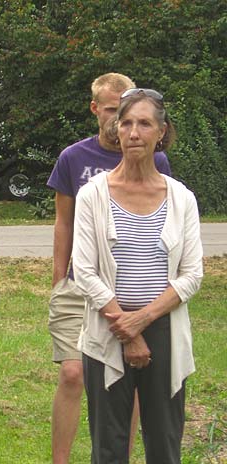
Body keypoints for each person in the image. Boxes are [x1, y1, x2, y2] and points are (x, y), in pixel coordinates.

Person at [46, 73, 171, 463]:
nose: (125, 123)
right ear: (96, 108)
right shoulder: (74, 158)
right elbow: (63, 222)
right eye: (116, 111)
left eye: (135, 115)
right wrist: (59, 280)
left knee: (130, 383)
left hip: (138, 294)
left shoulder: (158, 162)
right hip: (81, 285)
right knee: (73, 373)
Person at [73, 88, 202, 463]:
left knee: (164, 444)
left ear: (161, 131)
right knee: (108, 447)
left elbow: (192, 274)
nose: (133, 133)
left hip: (164, 330)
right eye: (126, 123)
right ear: (116, 129)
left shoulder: (181, 198)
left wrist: (142, 320)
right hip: (107, 328)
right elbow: (84, 271)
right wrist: (126, 329)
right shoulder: (92, 195)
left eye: (144, 124)